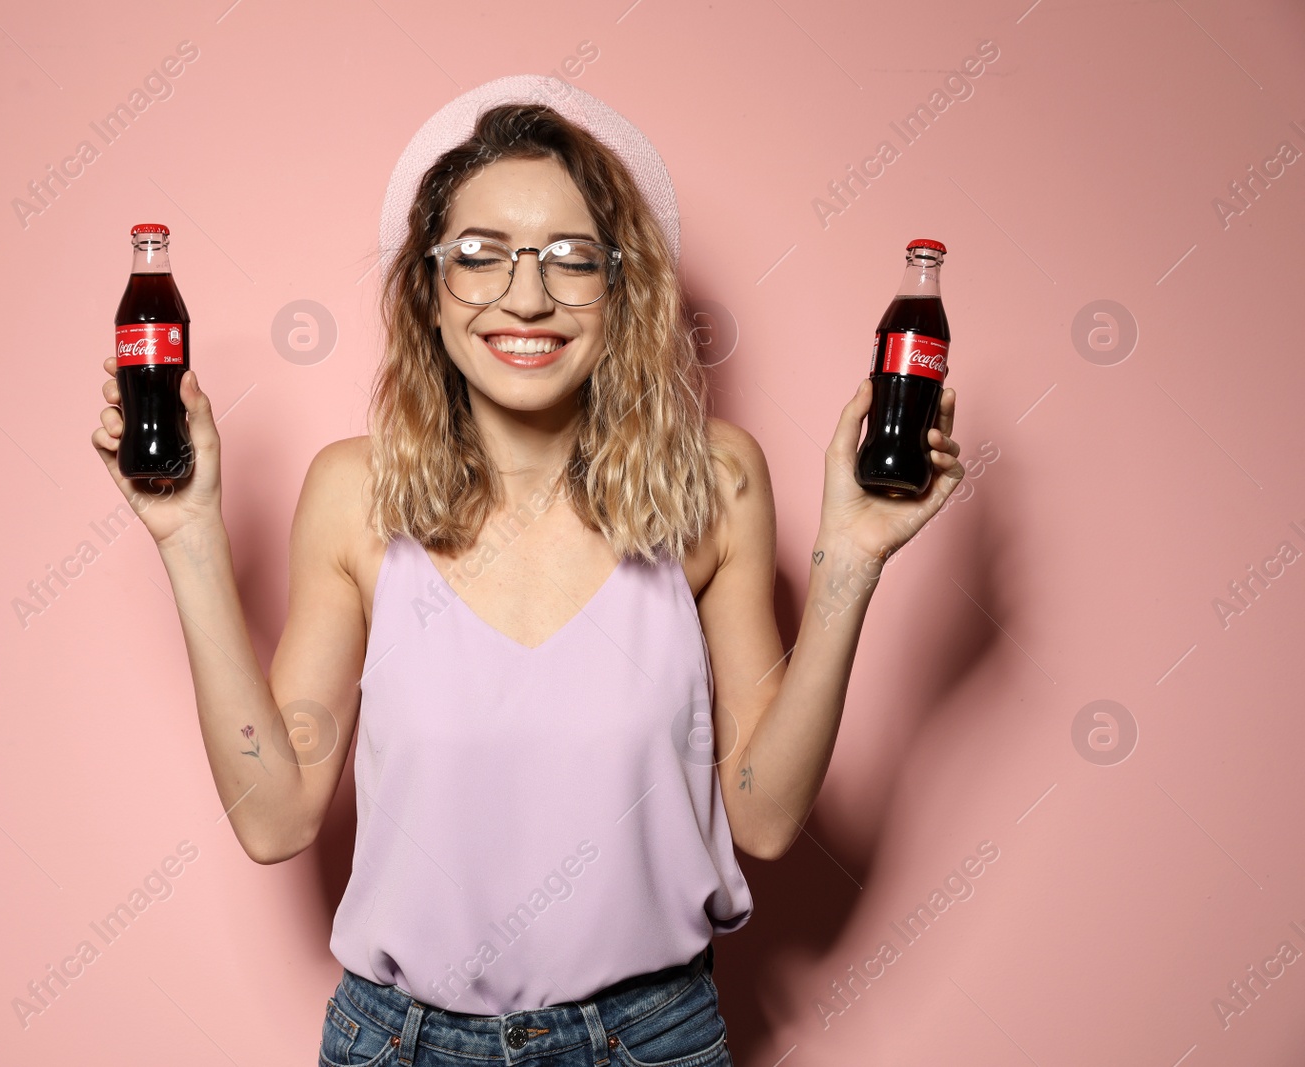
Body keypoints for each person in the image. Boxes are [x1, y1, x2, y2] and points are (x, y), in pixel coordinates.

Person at [92, 75, 964, 1067]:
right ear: (426, 285)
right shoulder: (353, 492)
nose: (527, 296)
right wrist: (190, 537)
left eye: (570, 259)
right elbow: (276, 813)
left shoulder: (717, 481)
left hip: (650, 1039)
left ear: (621, 286)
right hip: (400, 1042)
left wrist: (850, 557)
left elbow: (763, 815)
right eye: (481, 256)